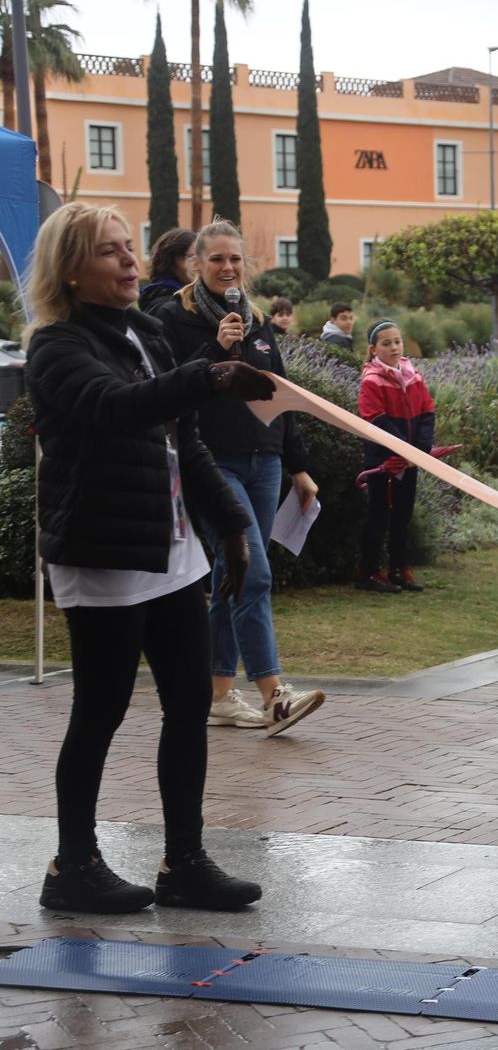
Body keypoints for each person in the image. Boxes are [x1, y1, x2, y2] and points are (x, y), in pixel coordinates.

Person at [24, 202, 270, 912]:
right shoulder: (56, 346)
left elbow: (182, 439)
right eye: (109, 251)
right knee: (100, 710)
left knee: (189, 703)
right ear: (71, 271)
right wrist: (208, 375)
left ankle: (184, 862)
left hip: (171, 546)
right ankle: (72, 866)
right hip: (103, 549)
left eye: (129, 247)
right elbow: (116, 405)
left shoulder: (147, 331)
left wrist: (230, 522)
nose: (130, 261)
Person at [153, 219, 325, 736]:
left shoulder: (257, 319)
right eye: (216, 259)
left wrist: (298, 465)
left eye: (234, 259)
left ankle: (218, 694)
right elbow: (165, 388)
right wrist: (215, 347)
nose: (227, 268)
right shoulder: (171, 318)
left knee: (234, 577)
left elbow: (280, 392)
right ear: (195, 265)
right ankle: (274, 695)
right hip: (209, 460)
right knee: (252, 570)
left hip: (264, 460)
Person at [356, 320, 434, 593]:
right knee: (378, 517)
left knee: (403, 516)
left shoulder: (414, 375)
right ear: (373, 349)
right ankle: (368, 572)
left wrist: (420, 449)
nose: (394, 348)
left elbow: (427, 410)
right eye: (386, 343)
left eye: (397, 342)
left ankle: (399, 568)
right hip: (383, 460)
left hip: (410, 460)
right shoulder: (371, 379)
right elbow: (375, 419)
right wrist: (404, 449)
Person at [137, 227, 195, 315]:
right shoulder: (164, 307)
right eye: (190, 257)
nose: (197, 264)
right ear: (170, 261)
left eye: (200, 256)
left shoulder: (195, 297)